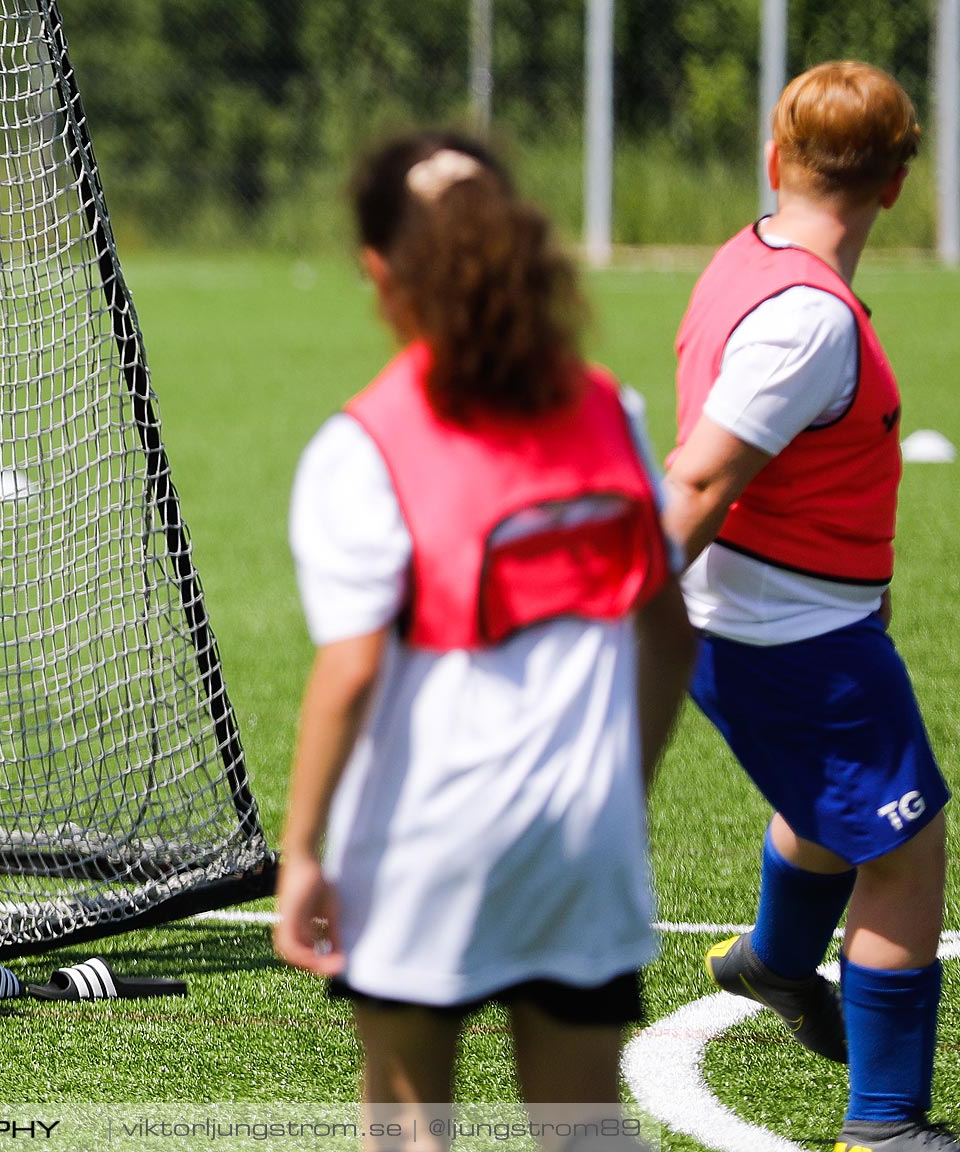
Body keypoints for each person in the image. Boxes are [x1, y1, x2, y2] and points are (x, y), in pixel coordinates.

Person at [272, 132, 694, 1151]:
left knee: (411, 1126)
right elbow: (671, 632)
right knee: (586, 1126)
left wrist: (299, 854)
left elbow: (352, 668)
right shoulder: (612, 410)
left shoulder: (363, 446)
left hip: (427, 846)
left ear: (379, 270)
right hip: (580, 840)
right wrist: (612, 792)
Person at [665, 61, 950, 1151]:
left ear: (775, 160)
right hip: (786, 634)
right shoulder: (809, 321)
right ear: (896, 184)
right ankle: (884, 1125)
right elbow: (698, 480)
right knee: (905, 845)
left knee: (838, 802)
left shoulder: (748, 254)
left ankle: (775, 963)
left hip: (778, 618)